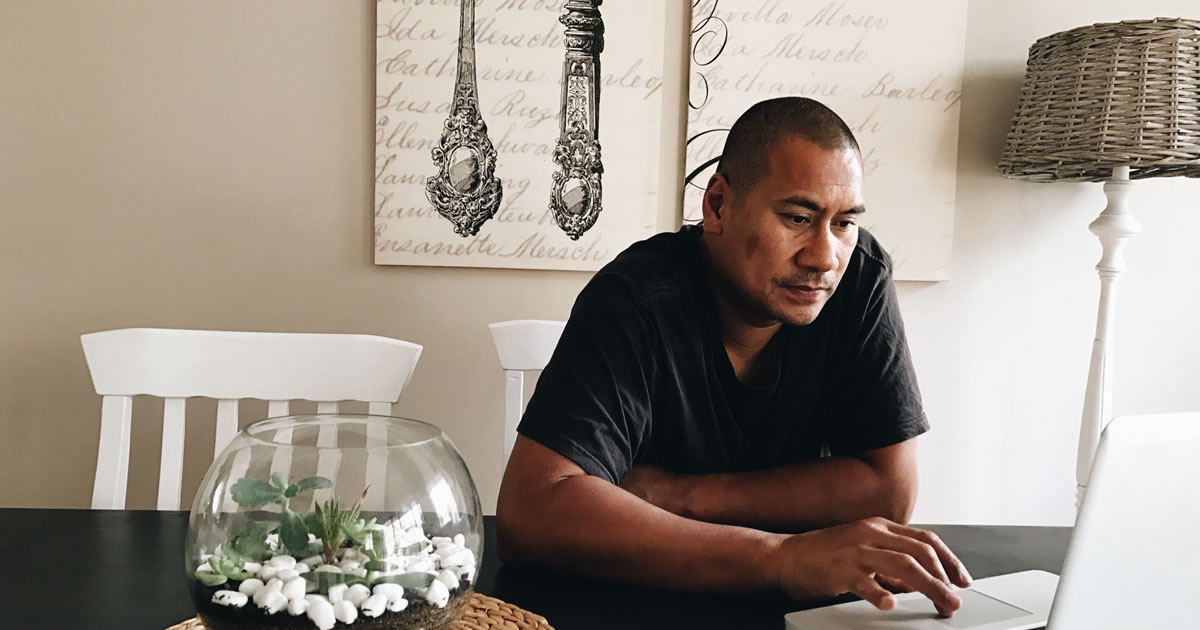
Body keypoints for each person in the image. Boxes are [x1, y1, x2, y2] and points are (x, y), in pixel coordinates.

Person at [495, 97, 970, 617]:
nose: (824, 256)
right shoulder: (636, 300)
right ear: (718, 205)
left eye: (844, 223)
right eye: (797, 217)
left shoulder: (859, 280)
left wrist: (679, 496)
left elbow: (889, 490)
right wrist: (785, 558)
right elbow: (531, 515)